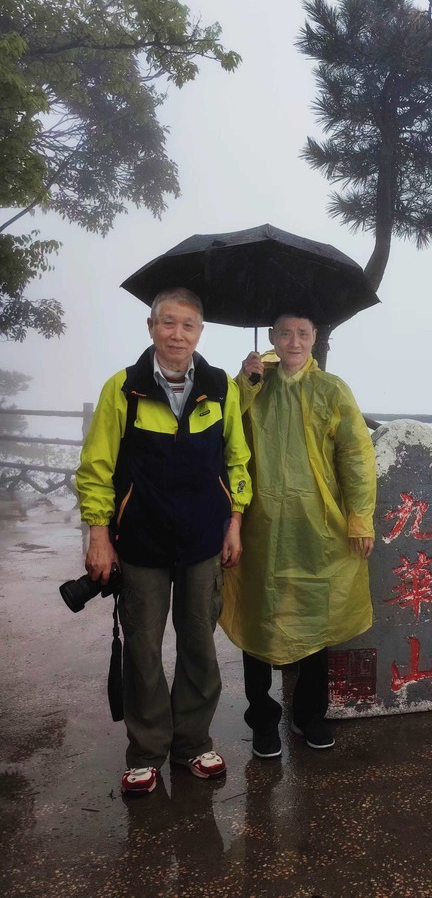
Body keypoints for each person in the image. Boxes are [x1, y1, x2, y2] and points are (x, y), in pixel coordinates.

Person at [76, 288, 252, 795]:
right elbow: (97, 468)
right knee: (144, 649)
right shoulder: (123, 389)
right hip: (141, 541)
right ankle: (147, 751)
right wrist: (99, 534)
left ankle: (193, 743)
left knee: (198, 644)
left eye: (188, 325)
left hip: (202, 540)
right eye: (168, 323)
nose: (177, 334)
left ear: (200, 332)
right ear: (150, 327)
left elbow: (235, 459)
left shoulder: (220, 387)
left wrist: (234, 521)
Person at [219, 311, 376, 756]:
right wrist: (243, 381)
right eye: (284, 333)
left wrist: (359, 517)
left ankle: (310, 714)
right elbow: (223, 430)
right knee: (257, 613)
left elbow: (356, 456)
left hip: (318, 525)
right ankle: (263, 718)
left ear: (313, 339)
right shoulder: (251, 382)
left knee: (315, 615)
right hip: (259, 521)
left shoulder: (331, 389)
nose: (293, 342)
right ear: (270, 336)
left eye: (302, 334)